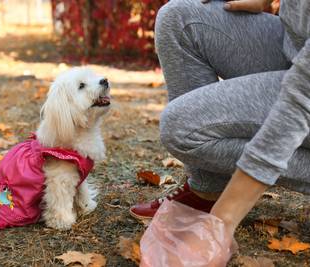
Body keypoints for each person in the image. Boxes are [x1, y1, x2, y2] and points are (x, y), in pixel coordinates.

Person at [130, 0, 310, 242]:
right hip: (296, 46)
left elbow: (300, 99)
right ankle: (208, 190)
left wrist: (224, 220)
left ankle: (219, 199)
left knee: (181, 128)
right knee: (179, 19)